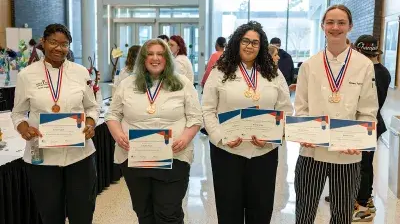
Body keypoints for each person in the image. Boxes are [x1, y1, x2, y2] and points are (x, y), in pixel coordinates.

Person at [294, 5, 378, 224]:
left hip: (347, 152)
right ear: (322, 26)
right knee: (304, 210)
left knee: (342, 213)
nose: (335, 27)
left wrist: (359, 141)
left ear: (350, 26)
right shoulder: (309, 65)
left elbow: (368, 110)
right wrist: (305, 132)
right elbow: (301, 107)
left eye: (341, 22)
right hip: (312, 151)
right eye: (330, 22)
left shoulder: (364, 64)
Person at [202, 21, 293, 224]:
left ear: (261, 47)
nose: (249, 46)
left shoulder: (273, 73)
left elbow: (285, 109)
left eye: (255, 42)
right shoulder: (220, 71)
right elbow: (207, 110)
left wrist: (272, 138)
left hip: (264, 152)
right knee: (228, 209)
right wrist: (220, 138)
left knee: (260, 210)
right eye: (245, 41)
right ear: (237, 42)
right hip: (227, 152)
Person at [105, 38, 202, 224]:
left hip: (174, 157)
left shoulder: (182, 83)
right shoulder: (127, 84)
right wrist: (118, 135)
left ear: (167, 58)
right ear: (142, 59)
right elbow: (113, 115)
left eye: (160, 54)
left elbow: (196, 117)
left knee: (169, 212)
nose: (155, 58)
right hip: (135, 158)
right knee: (144, 212)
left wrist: (186, 137)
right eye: (150, 54)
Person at [11, 23, 99, 224]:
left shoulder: (80, 72)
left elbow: (92, 108)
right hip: (43, 157)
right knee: (50, 214)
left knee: (83, 212)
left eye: (64, 44)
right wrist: (24, 128)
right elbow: (17, 113)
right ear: (43, 42)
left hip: (80, 155)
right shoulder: (27, 75)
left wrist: (91, 124)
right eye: (53, 42)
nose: (59, 48)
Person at [324, 35, 390, 222]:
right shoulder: (383, 71)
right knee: (362, 165)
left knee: (362, 166)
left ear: (358, 50)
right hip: (366, 124)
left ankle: (362, 204)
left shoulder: (370, 71)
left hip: (364, 126)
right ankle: (354, 197)